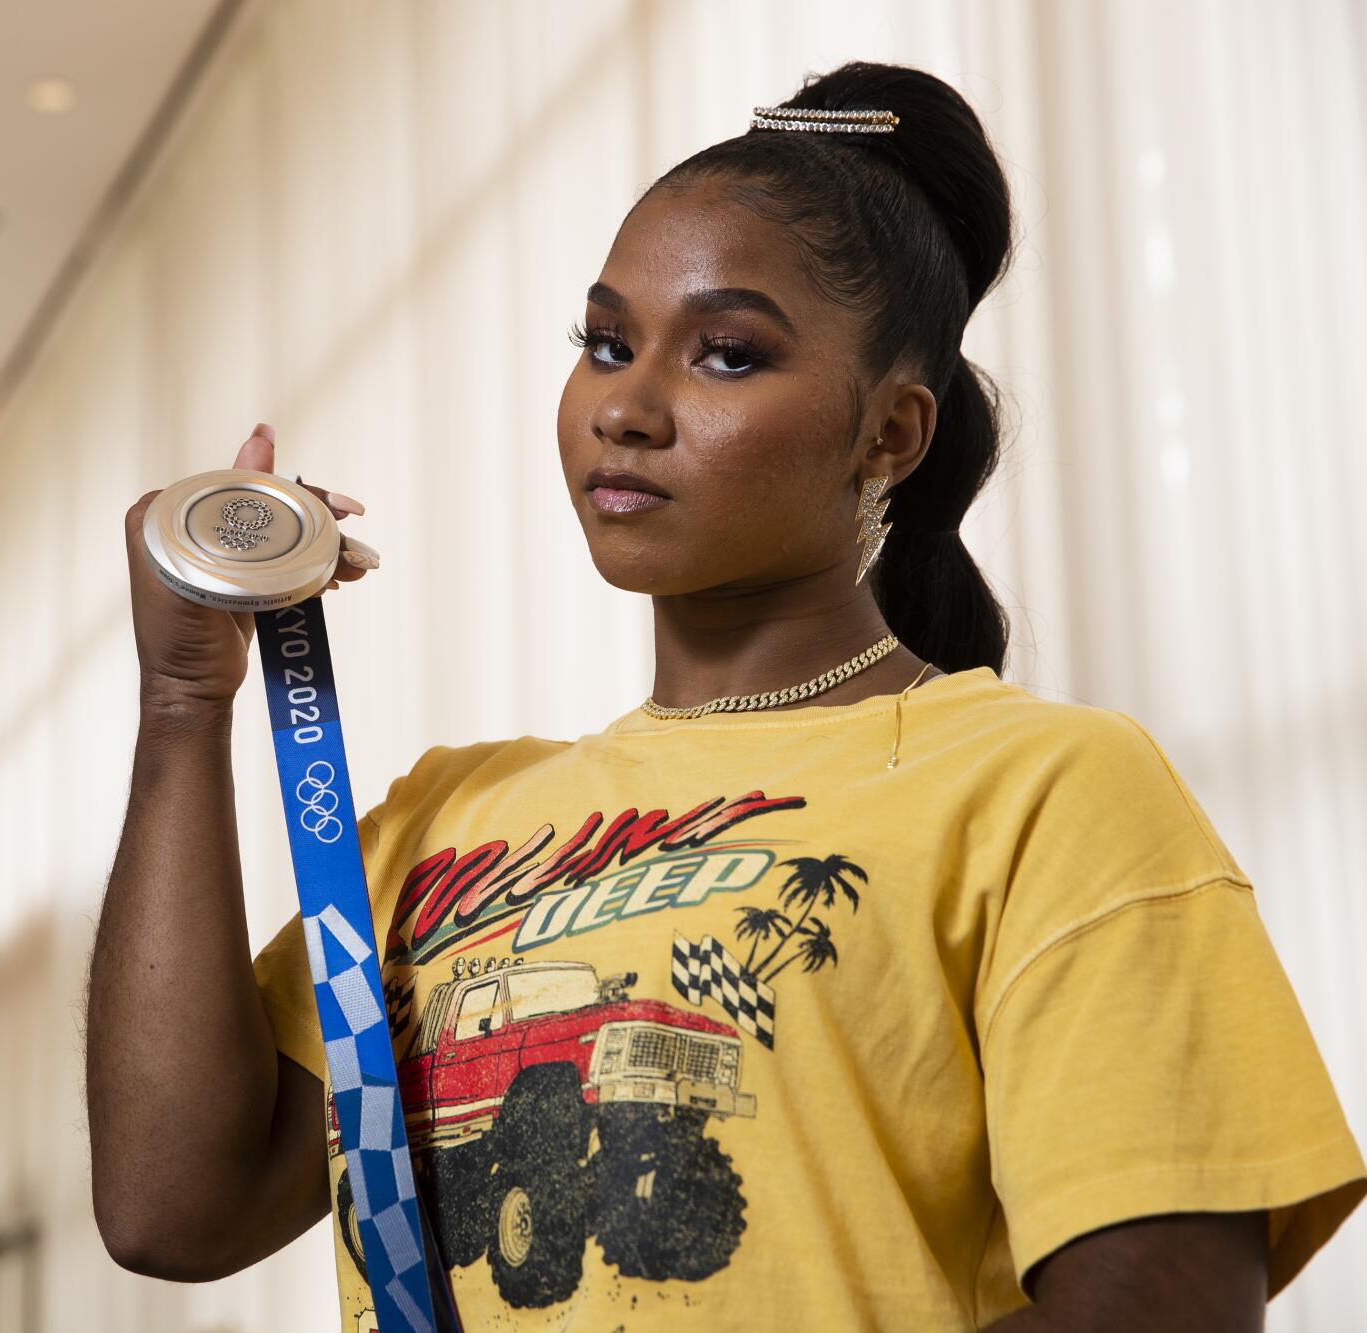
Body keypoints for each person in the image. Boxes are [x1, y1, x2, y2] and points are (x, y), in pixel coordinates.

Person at [87, 59, 1365, 1331]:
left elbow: (1163, 1310)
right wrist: (184, 706)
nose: (625, 409)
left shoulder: (1041, 786)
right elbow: (170, 1208)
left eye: (726, 356)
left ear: (889, 436)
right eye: (603, 343)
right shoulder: (441, 817)